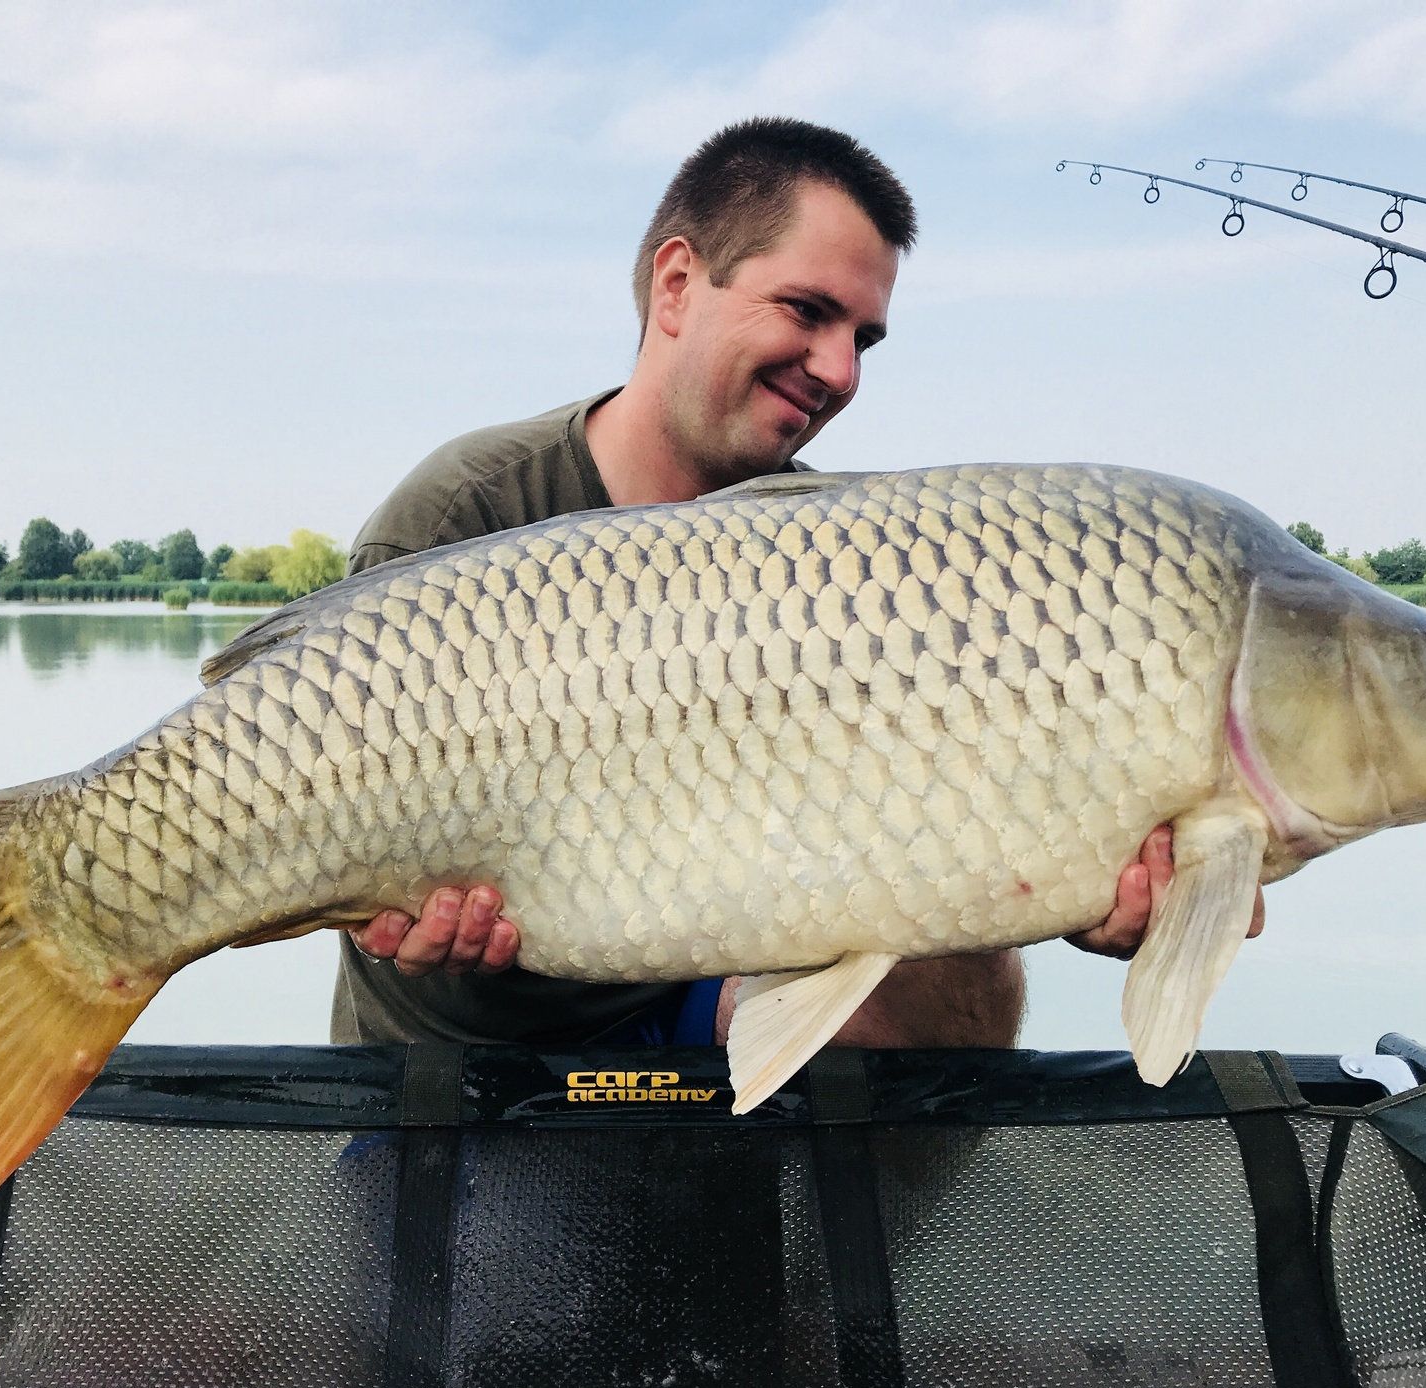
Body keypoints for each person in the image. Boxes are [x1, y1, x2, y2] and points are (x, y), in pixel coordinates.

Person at [330, 117, 1263, 1050]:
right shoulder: (466, 512)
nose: (840, 370)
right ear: (678, 285)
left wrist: (1084, 883)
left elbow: (963, 816)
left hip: (716, 1007)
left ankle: (860, 1185)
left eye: (865, 337)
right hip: (468, 1072)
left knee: (949, 949)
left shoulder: (860, 563)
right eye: (808, 312)